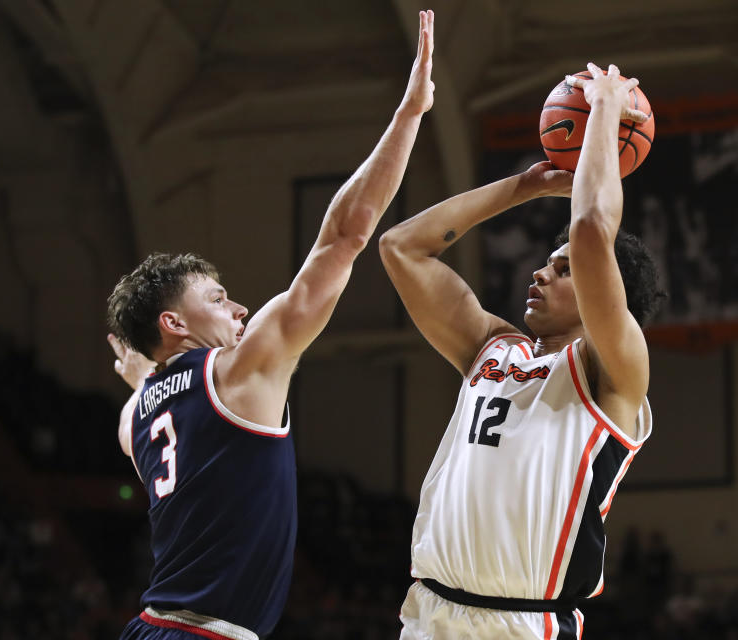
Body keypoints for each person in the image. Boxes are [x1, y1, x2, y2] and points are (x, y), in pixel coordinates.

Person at [104, 10, 435, 640]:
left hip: (152, 627)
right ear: (174, 322)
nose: (237, 308)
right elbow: (346, 234)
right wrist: (411, 112)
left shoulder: (143, 411)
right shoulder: (239, 368)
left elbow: (133, 414)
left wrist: (143, 373)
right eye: (218, 296)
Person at [379, 62, 663, 638]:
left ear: (598, 291)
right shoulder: (493, 350)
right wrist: (524, 188)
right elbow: (402, 248)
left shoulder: (612, 373)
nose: (538, 273)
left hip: (522, 625)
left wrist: (604, 112)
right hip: (430, 615)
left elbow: (589, 232)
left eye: (560, 271)